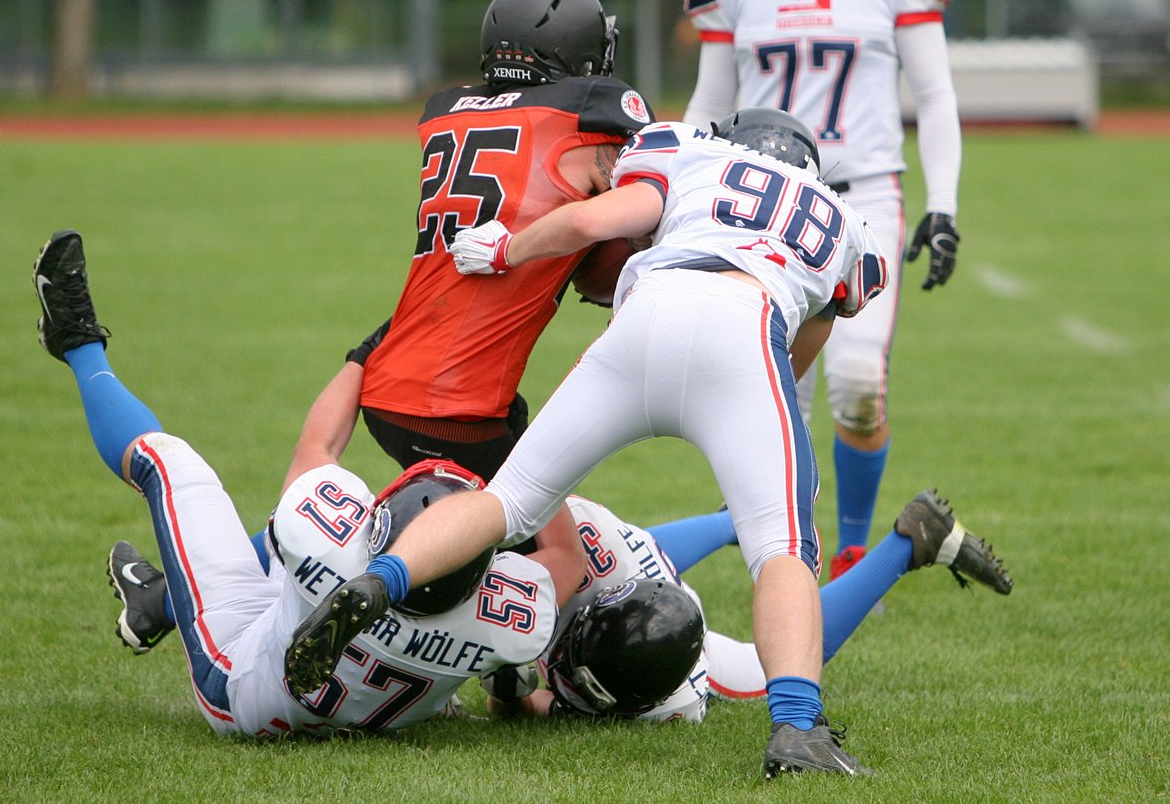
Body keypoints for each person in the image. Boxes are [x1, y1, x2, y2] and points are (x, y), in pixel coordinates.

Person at [284, 110, 892, 777]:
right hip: (748, 328)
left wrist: (505, 250)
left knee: (508, 502)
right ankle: (798, 728)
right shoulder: (846, 225)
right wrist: (743, 419)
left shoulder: (693, 152)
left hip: (649, 313)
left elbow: (587, 224)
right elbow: (806, 344)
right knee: (782, 548)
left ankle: (379, 580)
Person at [33, 228, 566, 737]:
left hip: (238, 681)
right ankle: (157, 601)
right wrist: (509, 449)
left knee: (172, 466)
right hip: (374, 703)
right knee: (290, 552)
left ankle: (76, 342)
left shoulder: (334, 546)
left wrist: (371, 352)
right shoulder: (512, 616)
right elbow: (563, 556)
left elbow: (317, 446)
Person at [680, 0, 964, 580]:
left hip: (865, 194)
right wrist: (677, 191)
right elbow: (709, 105)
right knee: (778, 392)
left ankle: (850, 547)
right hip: (765, 200)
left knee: (860, 383)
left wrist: (943, 203)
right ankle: (791, 558)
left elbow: (935, 94)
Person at [353, 0, 654, 480]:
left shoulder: (443, 113)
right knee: (554, 533)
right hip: (457, 408)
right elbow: (663, 186)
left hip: (388, 383)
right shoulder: (590, 113)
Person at [485, 489, 1012, 725]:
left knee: (779, 662)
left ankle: (909, 545)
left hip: (645, 587)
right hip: (624, 563)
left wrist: (510, 692)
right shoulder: (592, 544)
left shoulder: (676, 699)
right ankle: (739, 521)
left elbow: (531, 707)